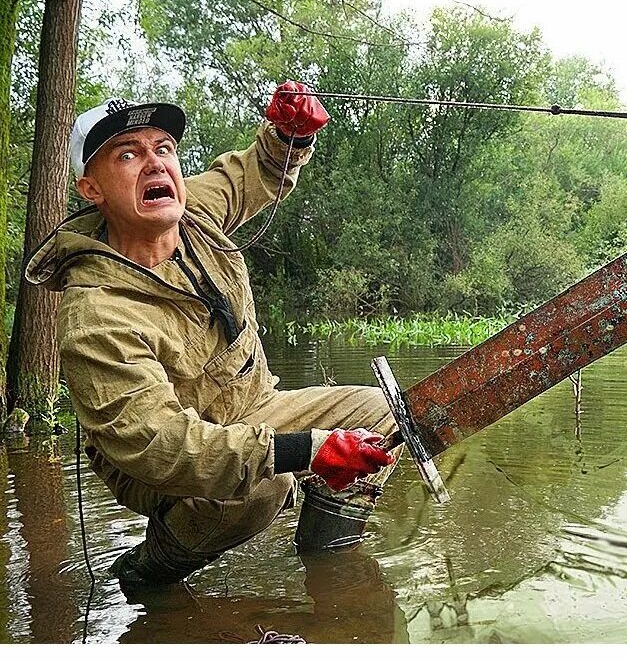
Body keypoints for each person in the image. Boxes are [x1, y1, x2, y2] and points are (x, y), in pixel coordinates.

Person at [24, 82, 403, 587]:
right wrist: (305, 450)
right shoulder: (95, 317)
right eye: (128, 154)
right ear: (91, 189)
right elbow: (162, 444)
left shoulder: (193, 211)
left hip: (252, 405)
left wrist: (288, 135)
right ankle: (153, 569)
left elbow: (255, 172)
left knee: (381, 415)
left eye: (164, 149)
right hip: (163, 464)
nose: (155, 164)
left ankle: (331, 569)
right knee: (260, 491)